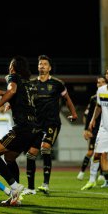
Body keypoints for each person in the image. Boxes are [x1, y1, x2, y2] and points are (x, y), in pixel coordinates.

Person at [0, 55, 41, 206]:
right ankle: (15, 198)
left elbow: (12, 90)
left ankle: (14, 187)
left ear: (13, 67)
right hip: (34, 128)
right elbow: (18, 95)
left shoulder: (13, 77)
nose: (9, 67)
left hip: (22, 127)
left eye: (11, 65)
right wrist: (4, 94)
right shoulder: (30, 84)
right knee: (9, 159)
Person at [23, 55, 78, 195]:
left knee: (45, 148)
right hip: (37, 124)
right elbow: (24, 100)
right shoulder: (31, 84)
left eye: (45, 64)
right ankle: (30, 188)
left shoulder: (57, 83)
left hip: (52, 122)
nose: (42, 66)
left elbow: (67, 99)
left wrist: (74, 113)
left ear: (49, 68)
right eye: (40, 64)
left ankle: (45, 184)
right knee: (30, 154)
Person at [82, 67, 108, 190]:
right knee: (96, 155)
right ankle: (91, 180)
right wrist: (92, 119)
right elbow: (99, 107)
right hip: (104, 129)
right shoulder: (101, 90)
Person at [77, 76, 106, 180]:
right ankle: (82, 171)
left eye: (102, 82)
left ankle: (102, 175)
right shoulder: (93, 98)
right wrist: (86, 129)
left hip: (106, 129)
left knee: (103, 153)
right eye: (98, 82)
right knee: (90, 152)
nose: (100, 84)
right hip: (95, 129)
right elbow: (88, 115)